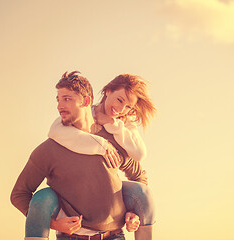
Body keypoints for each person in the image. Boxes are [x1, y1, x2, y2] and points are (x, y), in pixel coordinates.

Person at [11, 71, 149, 240]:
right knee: (42, 197)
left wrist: (133, 212)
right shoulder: (49, 149)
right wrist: (53, 223)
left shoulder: (114, 137)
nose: (59, 106)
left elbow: (139, 177)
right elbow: (19, 194)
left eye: (67, 99)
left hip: (114, 236)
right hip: (71, 237)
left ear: (86, 101)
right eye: (58, 100)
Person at [47, 73, 156, 240]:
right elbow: (54, 131)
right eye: (119, 100)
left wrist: (133, 212)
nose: (120, 110)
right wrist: (101, 145)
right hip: (72, 229)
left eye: (127, 107)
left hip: (111, 228)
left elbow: (139, 171)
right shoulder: (82, 115)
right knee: (42, 200)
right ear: (108, 91)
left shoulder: (122, 130)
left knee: (143, 193)